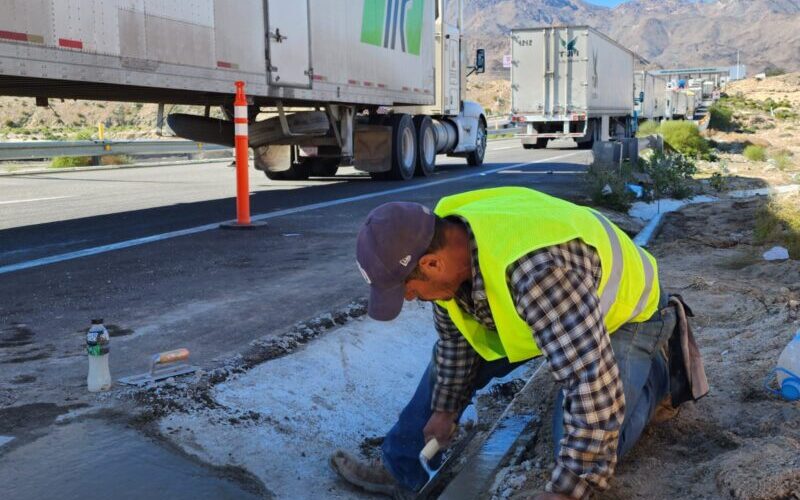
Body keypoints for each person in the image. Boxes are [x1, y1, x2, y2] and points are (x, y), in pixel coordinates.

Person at [331, 186, 702, 499]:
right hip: (562, 311)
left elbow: (592, 385)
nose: (411, 299)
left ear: (430, 264)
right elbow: (456, 343)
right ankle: (402, 467)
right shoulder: (446, 235)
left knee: (591, 442)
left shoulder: (538, 274)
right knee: (444, 370)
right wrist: (444, 410)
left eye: (409, 290)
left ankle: (658, 374)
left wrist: (565, 490)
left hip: (627, 314)